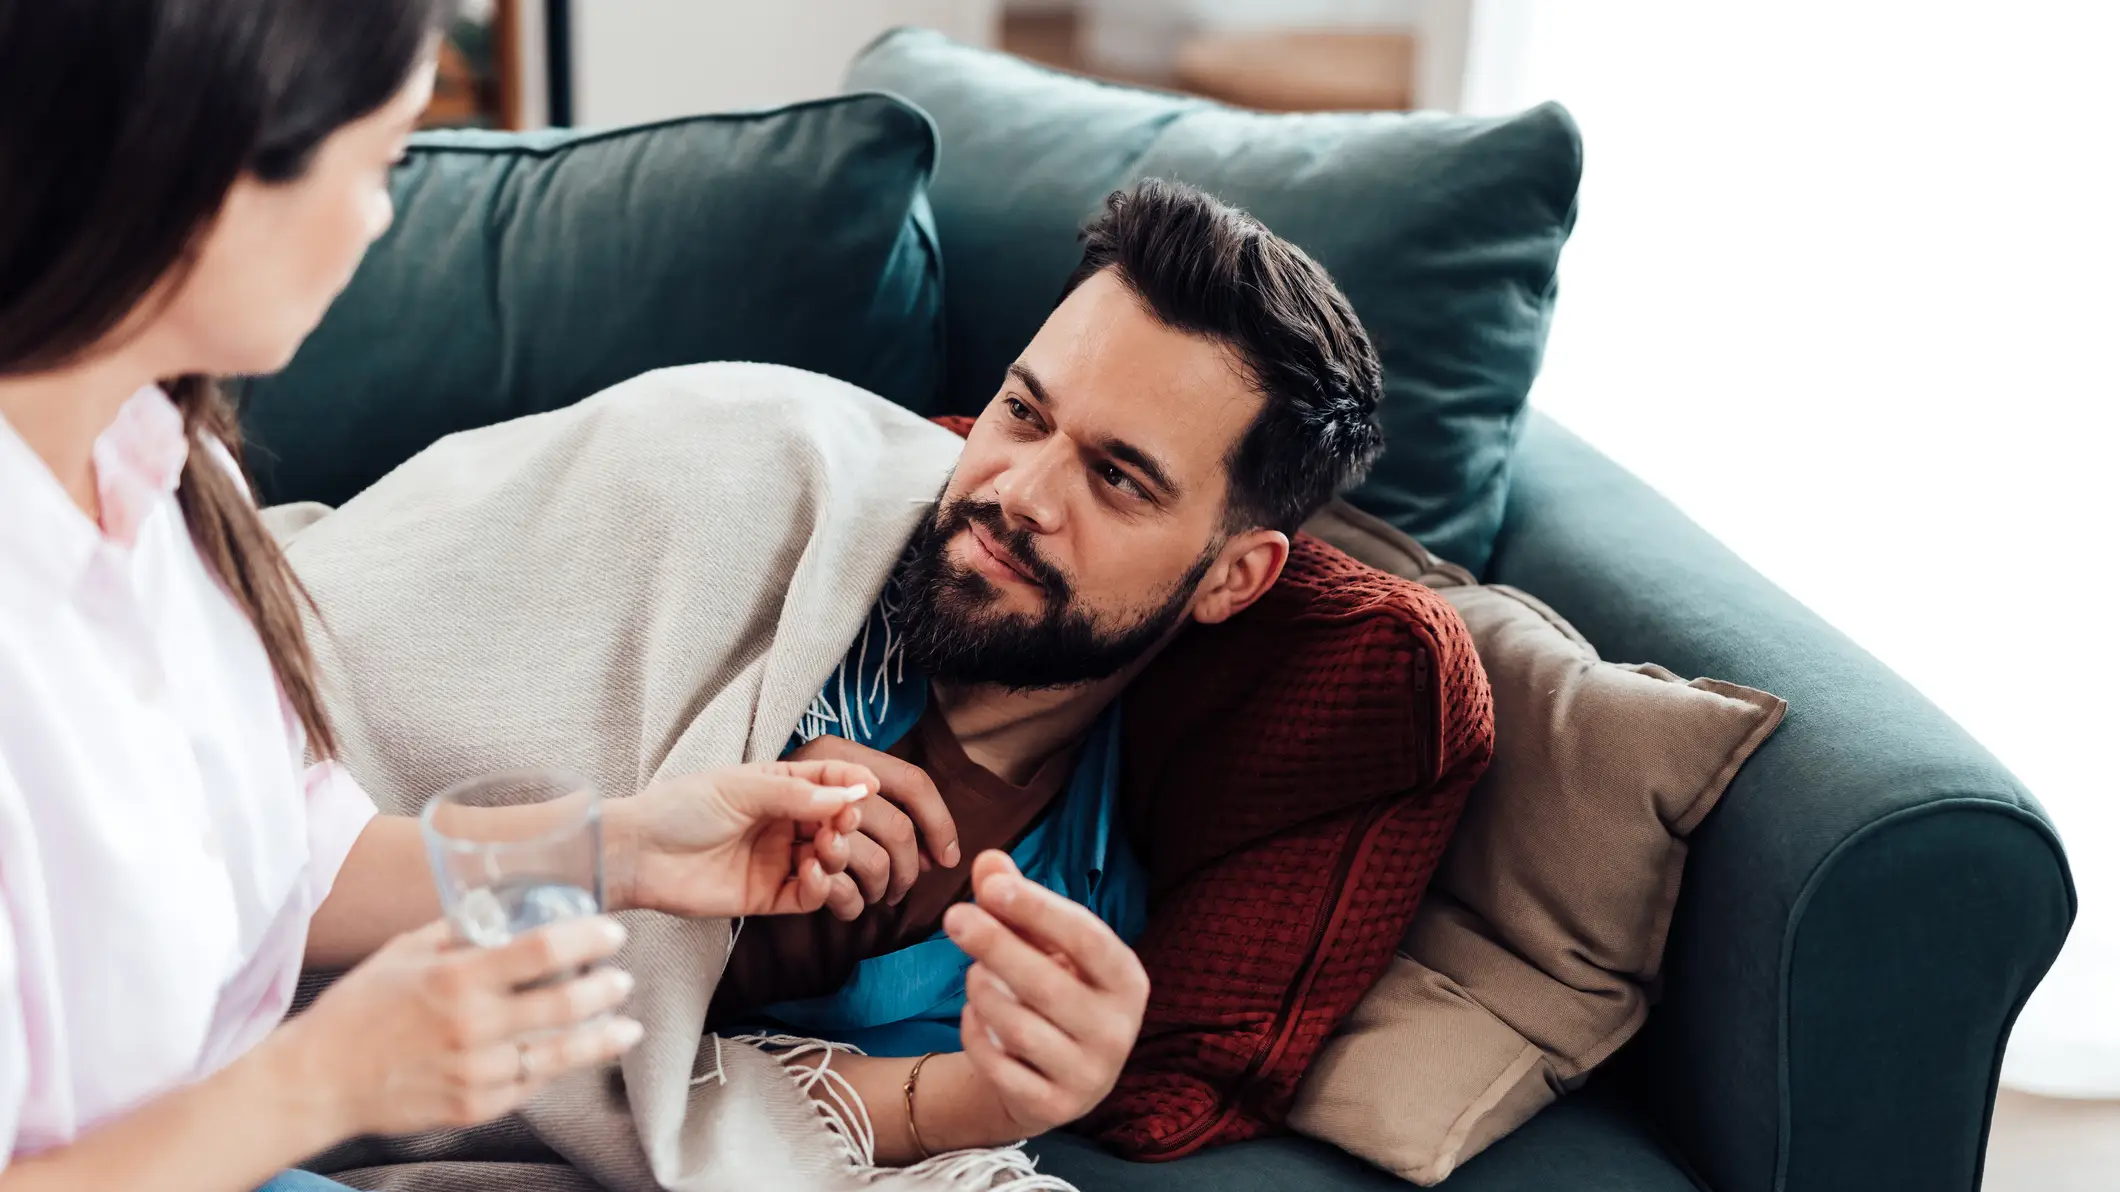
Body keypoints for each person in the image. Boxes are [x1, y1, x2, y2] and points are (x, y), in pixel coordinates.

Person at [0, 4, 882, 1191]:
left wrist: (629, 845)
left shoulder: (164, 476)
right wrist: (320, 1082)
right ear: (206, 152)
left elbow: (296, 871)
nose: (381, 218)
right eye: (384, 162)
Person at [704, 178, 1388, 1163]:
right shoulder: (783, 552)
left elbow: (752, 1119)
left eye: (1115, 475)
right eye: (1023, 412)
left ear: (1233, 578)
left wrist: (1000, 1094)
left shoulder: (1070, 929)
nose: (1016, 492)